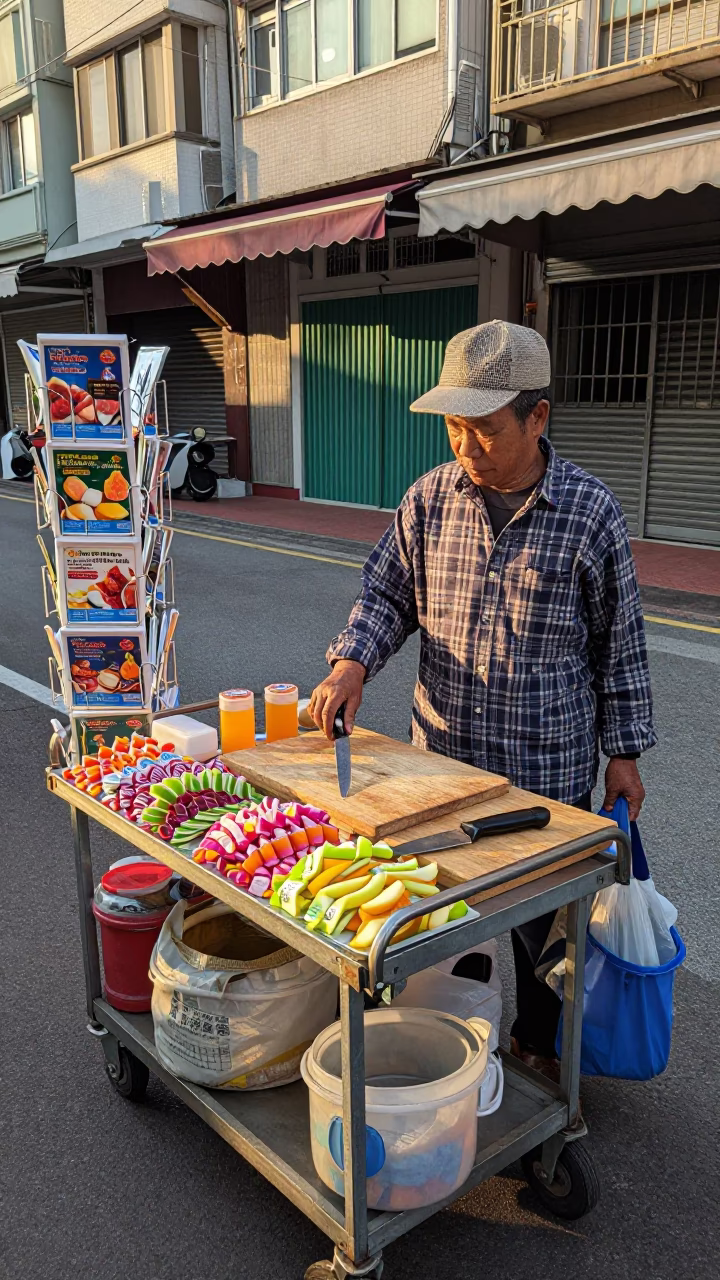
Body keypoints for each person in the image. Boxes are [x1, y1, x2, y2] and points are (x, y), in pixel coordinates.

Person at [309, 320, 656, 1099]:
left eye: (486, 428)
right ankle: (436, 1033)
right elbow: (386, 594)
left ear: (537, 417)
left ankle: (538, 1042)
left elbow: (621, 645)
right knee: (435, 910)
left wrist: (625, 754)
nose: (466, 446)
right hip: (440, 765)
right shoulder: (430, 498)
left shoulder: (590, 513)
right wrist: (352, 661)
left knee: (542, 927)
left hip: (543, 777)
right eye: (454, 427)